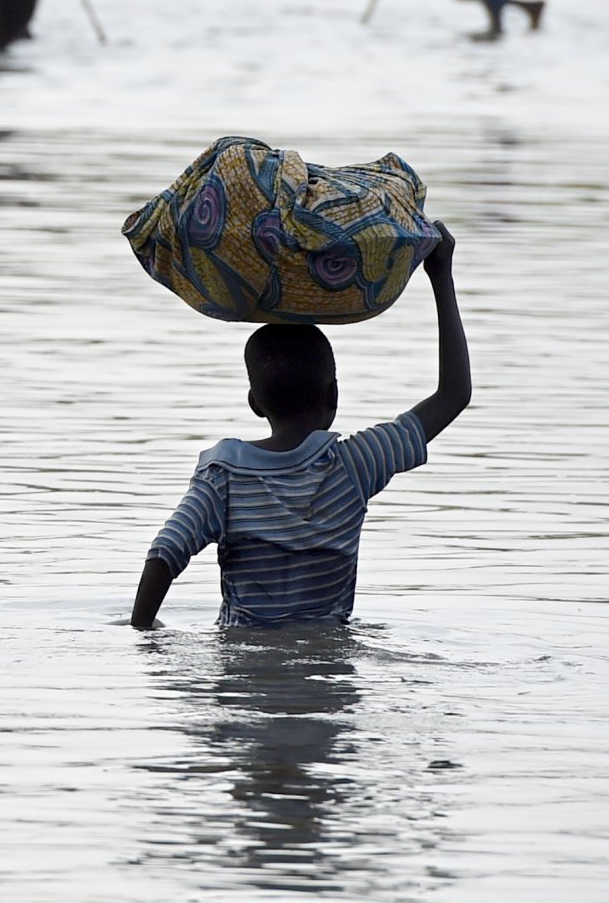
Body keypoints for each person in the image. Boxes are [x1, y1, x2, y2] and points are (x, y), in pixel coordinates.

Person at [130, 225, 469, 630]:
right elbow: (454, 395)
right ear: (334, 395)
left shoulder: (223, 476)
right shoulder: (356, 465)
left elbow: (164, 554)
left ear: (255, 403)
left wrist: (143, 634)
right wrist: (441, 275)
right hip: (328, 671)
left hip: (244, 674)